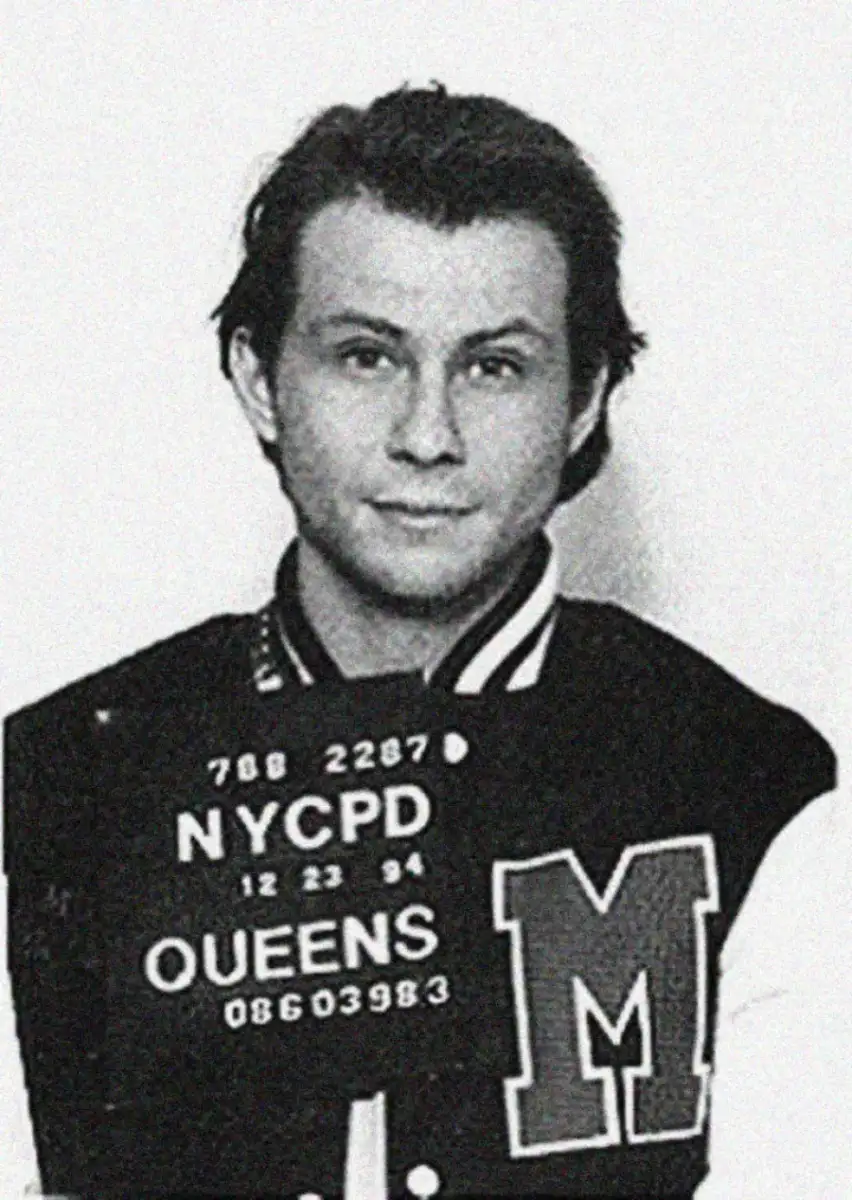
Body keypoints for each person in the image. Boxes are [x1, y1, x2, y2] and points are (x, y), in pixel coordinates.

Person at [4, 83, 849, 1199]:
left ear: (585, 399)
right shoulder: (54, 785)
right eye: (367, 356)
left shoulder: (755, 785)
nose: (428, 435)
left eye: (495, 365)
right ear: (261, 379)